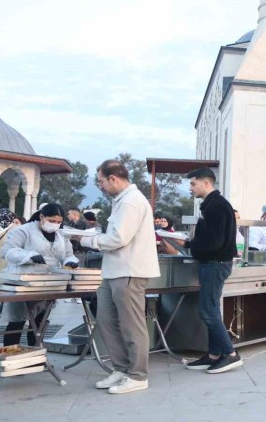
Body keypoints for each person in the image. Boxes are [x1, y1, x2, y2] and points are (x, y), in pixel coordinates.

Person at [80, 160, 160, 395]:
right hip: (113, 271)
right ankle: (121, 369)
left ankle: (138, 375)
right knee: (105, 319)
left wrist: (87, 240)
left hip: (129, 271)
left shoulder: (132, 202)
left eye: (102, 181)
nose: (101, 186)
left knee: (131, 325)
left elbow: (118, 238)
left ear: (113, 178)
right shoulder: (121, 201)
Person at [183, 168, 243, 374]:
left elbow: (214, 242)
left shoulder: (216, 206)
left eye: (193, 184)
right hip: (214, 262)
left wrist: (191, 245)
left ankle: (230, 354)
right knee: (211, 309)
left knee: (207, 311)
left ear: (206, 183)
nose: (190, 188)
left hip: (216, 263)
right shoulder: (213, 205)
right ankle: (214, 354)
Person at [2, 204, 78, 345]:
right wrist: (28, 256)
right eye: (51, 221)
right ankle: (9, 355)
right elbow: (7, 251)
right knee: (17, 322)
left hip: (48, 283)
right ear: (42, 216)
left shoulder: (61, 236)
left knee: (40, 322)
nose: (55, 225)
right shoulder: (24, 231)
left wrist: (70, 261)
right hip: (23, 282)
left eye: (58, 222)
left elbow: (68, 254)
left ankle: (36, 353)